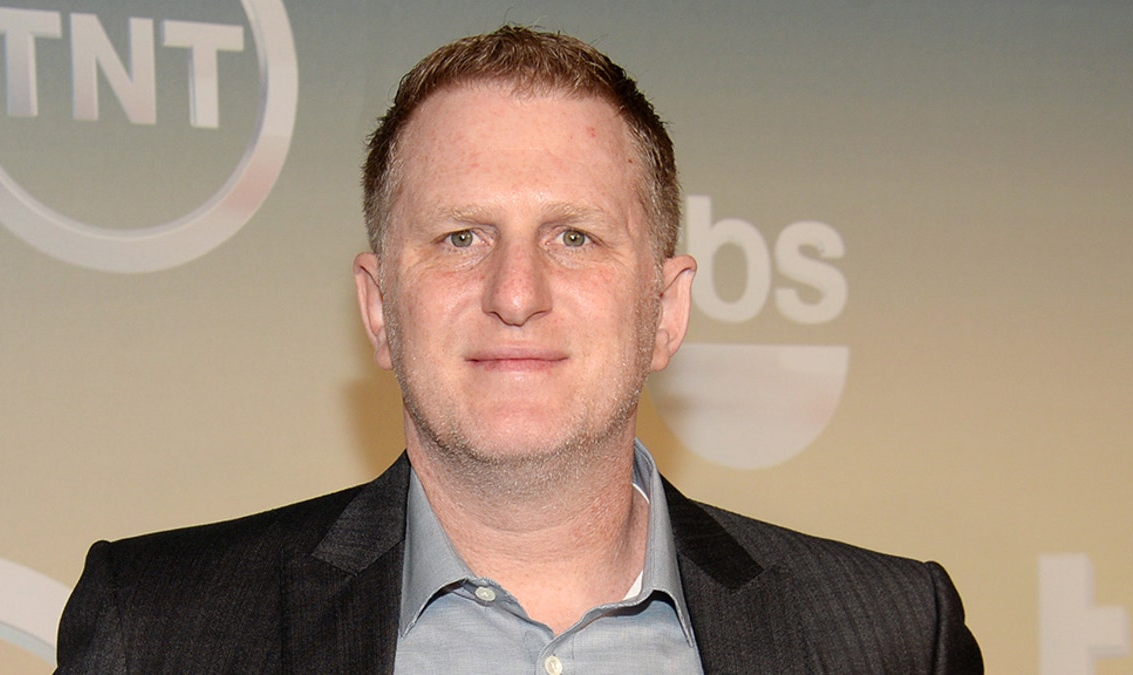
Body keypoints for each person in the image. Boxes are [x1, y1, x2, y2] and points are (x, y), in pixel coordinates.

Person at [55, 26, 984, 673]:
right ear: (379, 309)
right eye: (461, 236)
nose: (515, 293)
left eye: (574, 236)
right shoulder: (159, 629)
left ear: (666, 306)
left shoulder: (896, 638)